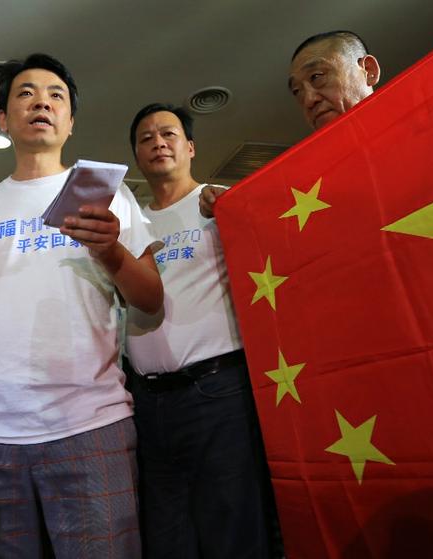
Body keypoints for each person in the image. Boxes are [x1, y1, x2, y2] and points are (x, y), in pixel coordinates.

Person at [0, 53, 162, 558]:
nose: (41, 100)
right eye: (25, 93)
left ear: (70, 122)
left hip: (90, 423)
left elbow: (150, 299)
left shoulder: (110, 197)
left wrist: (108, 249)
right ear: (4, 120)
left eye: (55, 95)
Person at [125, 103, 279, 558]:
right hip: (147, 400)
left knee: (232, 527)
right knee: (167, 535)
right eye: (146, 138)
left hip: (218, 391)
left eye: (168, 133)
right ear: (136, 155)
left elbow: (276, 259)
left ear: (190, 146)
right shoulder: (129, 220)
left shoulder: (222, 202)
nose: (158, 143)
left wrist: (238, 215)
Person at [200, 30, 381, 218]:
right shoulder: (307, 184)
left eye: (317, 77)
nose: (309, 99)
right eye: (297, 91)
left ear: (368, 70)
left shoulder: (413, 131)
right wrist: (228, 203)